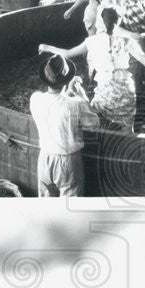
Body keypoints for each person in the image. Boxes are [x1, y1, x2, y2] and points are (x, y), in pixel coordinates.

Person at [40, 8, 145, 133]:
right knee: (128, 128)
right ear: (118, 22)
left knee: (97, 121)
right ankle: (128, 146)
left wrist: (47, 47)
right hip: (125, 90)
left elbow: (68, 53)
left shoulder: (92, 41)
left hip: (105, 91)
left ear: (101, 22)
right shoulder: (126, 40)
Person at [29, 53, 99, 195]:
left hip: (45, 158)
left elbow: (57, 104)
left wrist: (68, 91)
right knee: (69, 204)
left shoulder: (36, 99)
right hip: (68, 162)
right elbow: (94, 123)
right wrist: (81, 93)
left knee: (46, 203)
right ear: (66, 80)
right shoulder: (76, 104)